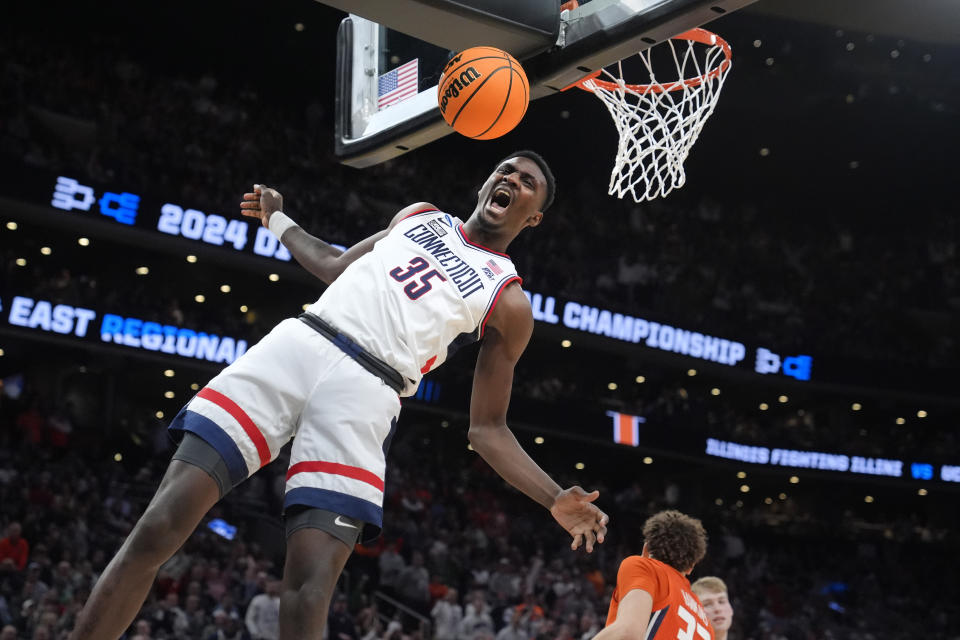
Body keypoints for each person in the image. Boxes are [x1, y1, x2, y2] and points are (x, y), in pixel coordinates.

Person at [70, 151, 609, 640]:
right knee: (157, 528)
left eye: (528, 182)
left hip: (369, 392)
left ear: (534, 215)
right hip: (301, 343)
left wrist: (553, 496)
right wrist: (279, 220)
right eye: (506, 171)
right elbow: (333, 265)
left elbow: (486, 428)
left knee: (307, 597)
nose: (512, 179)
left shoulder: (509, 302)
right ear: (487, 183)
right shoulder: (419, 214)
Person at [593, 510, 712, 640]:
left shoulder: (645, 567)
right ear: (691, 567)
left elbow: (628, 633)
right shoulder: (706, 623)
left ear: (646, 549)